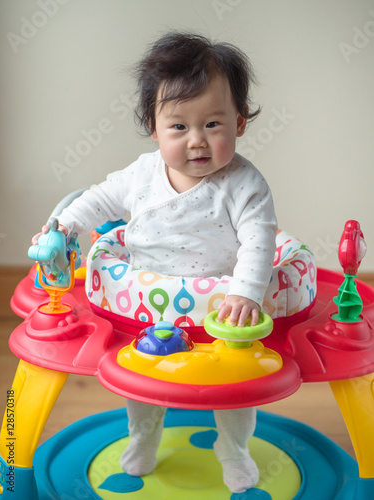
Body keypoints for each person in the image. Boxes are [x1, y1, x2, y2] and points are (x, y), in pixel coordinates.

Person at [33, 32, 277, 493]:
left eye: (213, 124)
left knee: (234, 387)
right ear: (154, 127)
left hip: (219, 309)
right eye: (179, 127)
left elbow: (259, 240)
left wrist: (245, 291)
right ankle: (144, 439)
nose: (197, 141)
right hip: (144, 301)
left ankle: (234, 447)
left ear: (240, 123)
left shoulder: (245, 184)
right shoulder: (142, 174)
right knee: (141, 383)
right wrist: (62, 228)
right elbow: (98, 200)